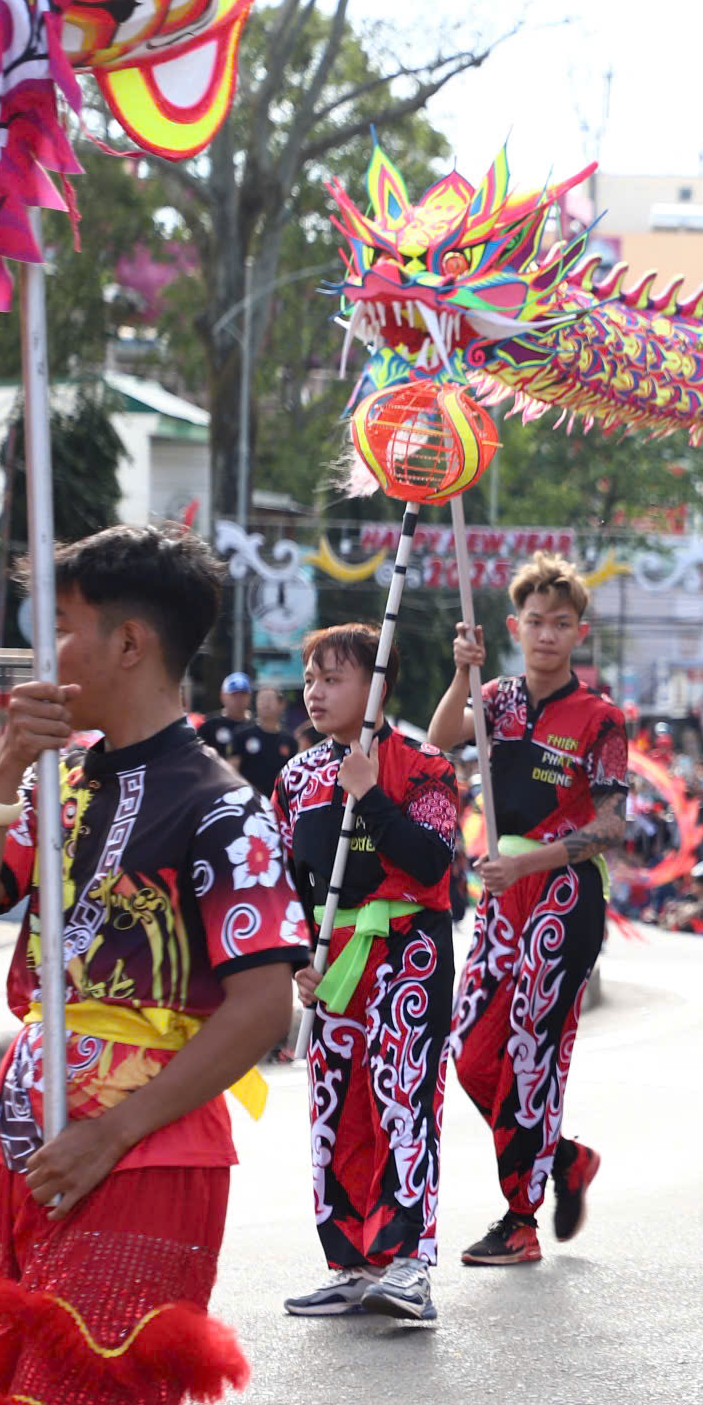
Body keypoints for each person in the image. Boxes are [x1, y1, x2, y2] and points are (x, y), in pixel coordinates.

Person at [0, 526, 304, 1405]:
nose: (49, 658)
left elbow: (266, 1007)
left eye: (63, 632)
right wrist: (6, 757)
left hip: (142, 1159)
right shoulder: (59, 779)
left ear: (130, 644)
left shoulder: (224, 810)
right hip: (21, 1144)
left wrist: (111, 1129)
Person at [429, 553, 626, 1265]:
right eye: (535, 622)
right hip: (501, 891)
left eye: (561, 624)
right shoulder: (497, 698)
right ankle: (564, 1158)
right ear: (516, 627)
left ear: (580, 633)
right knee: (471, 1055)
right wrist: (462, 671)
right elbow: (439, 738)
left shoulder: (602, 718)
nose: (547, 634)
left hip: (566, 893)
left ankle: (519, 1218)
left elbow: (610, 827)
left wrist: (531, 863)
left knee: (531, 1051)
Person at [274, 623, 461, 1321]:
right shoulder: (295, 778)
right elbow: (287, 882)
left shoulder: (423, 763)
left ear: (377, 683)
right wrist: (299, 961)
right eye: (311, 679)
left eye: (334, 679)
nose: (316, 693)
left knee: (404, 1096)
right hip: (334, 966)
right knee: (336, 1108)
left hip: (408, 948)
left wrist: (372, 793)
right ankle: (349, 1261)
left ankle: (410, 1263)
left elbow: (432, 862)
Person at [236, 683, 297, 796]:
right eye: (261, 699)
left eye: (269, 699)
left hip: (278, 801)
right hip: (249, 799)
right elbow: (232, 769)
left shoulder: (290, 740)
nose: (265, 703)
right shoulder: (242, 735)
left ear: (281, 705)